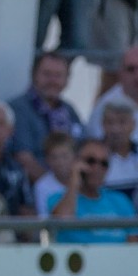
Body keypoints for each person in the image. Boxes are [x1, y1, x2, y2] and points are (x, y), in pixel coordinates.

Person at [50, 137, 138, 243]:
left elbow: (134, 245)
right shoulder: (57, 199)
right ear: (76, 162)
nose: (97, 168)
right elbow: (62, 221)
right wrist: (74, 180)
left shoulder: (121, 201)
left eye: (104, 163)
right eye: (91, 161)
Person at [9, 52, 84, 180]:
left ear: (67, 80)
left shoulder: (69, 110)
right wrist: (53, 187)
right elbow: (24, 158)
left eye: (58, 75)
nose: (52, 81)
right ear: (34, 76)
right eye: (47, 74)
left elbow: (82, 150)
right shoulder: (18, 109)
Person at [96, 99, 138, 197]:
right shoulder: (93, 158)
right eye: (110, 122)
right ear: (102, 124)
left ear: (133, 124)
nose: (115, 129)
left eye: (122, 122)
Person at [33, 131, 79, 216]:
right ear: (47, 160)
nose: (60, 162)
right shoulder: (41, 186)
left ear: (75, 156)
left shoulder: (87, 179)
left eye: (64, 156)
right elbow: (44, 220)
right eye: (54, 157)